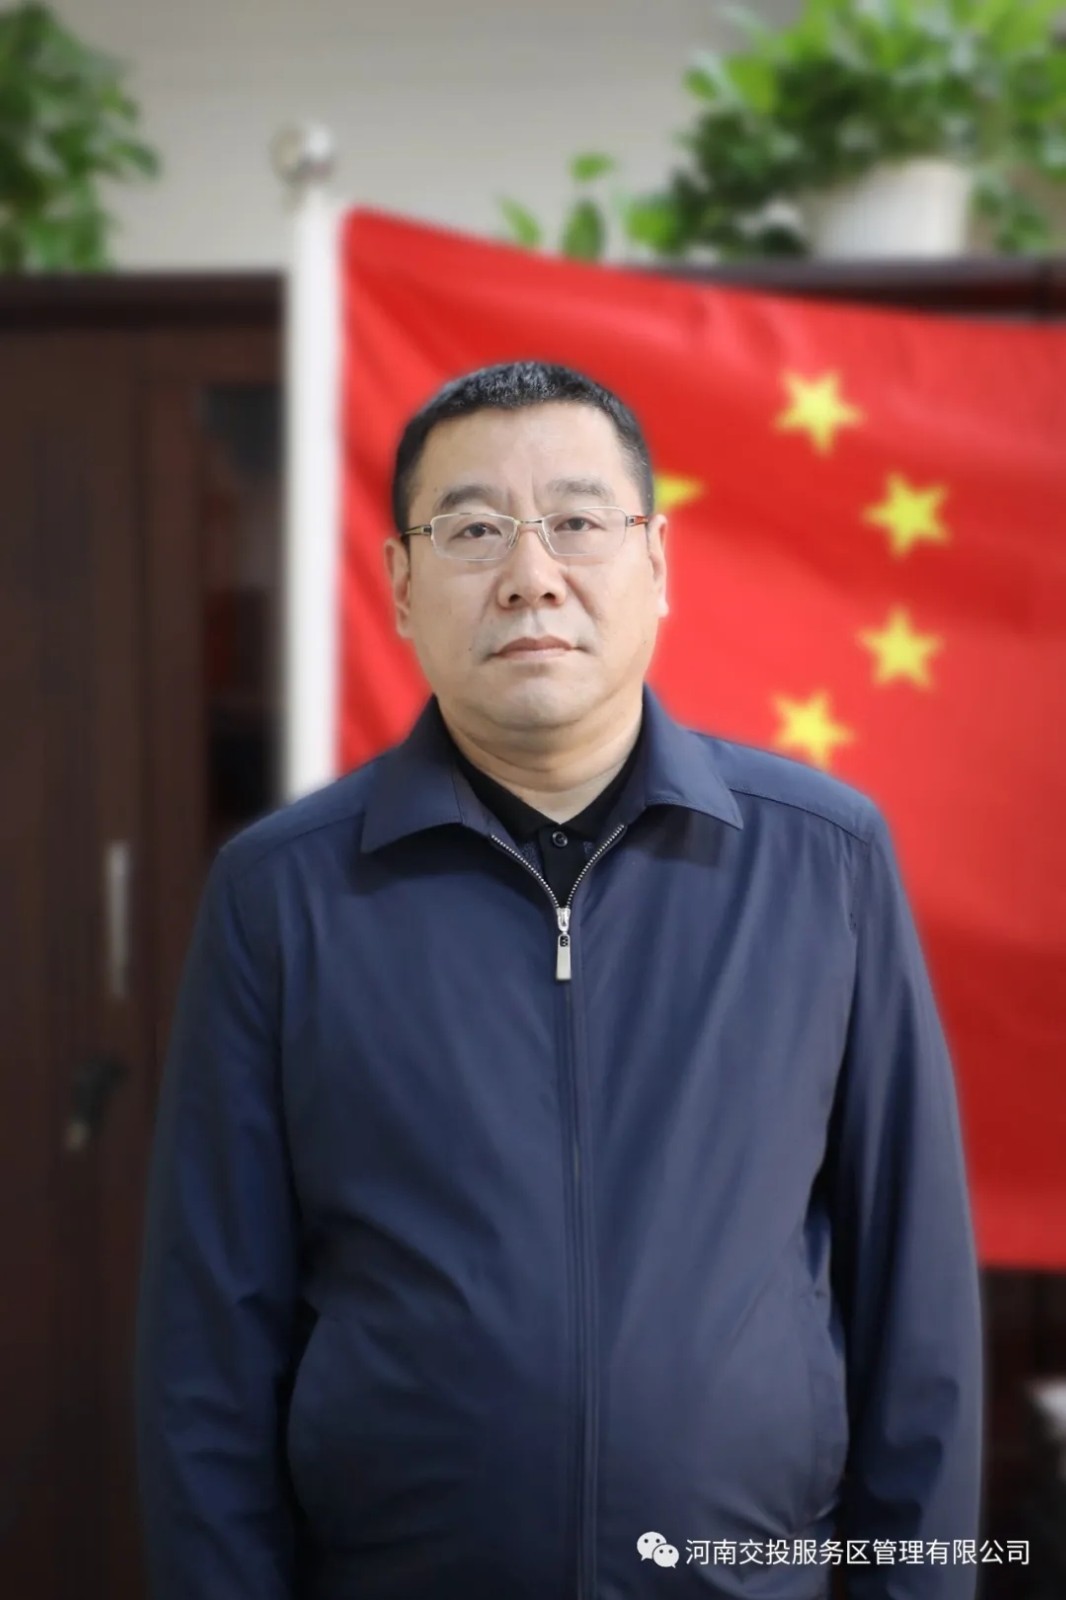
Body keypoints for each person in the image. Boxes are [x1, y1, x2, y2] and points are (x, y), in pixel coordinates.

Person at [135, 360, 983, 1600]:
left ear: (657, 562)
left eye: (577, 522)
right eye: (474, 530)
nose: (532, 574)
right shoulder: (282, 894)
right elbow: (208, 1341)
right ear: (401, 584)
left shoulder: (823, 861)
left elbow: (916, 1308)